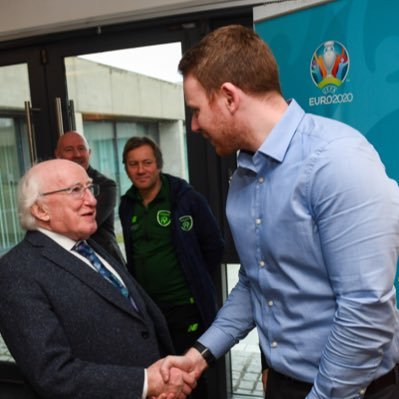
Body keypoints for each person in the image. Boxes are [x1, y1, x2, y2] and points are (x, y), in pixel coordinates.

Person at [158, 24, 399, 399]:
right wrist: (201, 354)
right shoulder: (242, 176)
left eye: (195, 111)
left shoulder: (336, 160)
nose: (193, 125)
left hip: (351, 390)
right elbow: (257, 282)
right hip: (283, 383)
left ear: (228, 97)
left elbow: (365, 311)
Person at [0, 159, 196, 399]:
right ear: (41, 209)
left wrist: (164, 377)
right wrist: (145, 383)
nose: (92, 200)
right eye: (75, 190)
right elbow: (52, 374)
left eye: (90, 188)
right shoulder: (16, 271)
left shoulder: (90, 245)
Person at [119, 136, 224, 398]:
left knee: (190, 377)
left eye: (147, 162)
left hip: (185, 309)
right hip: (149, 311)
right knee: (161, 377)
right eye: (133, 164)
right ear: (126, 167)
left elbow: (214, 247)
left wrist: (194, 278)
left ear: (159, 164)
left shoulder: (186, 199)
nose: (141, 170)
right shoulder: (126, 204)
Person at [55, 131, 126, 265]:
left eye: (81, 148)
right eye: (69, 150)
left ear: (90, 152)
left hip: (105, 261)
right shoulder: (53, 186)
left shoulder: (105, 186)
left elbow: (80, 227)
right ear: (58, 155)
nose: (76, 154)